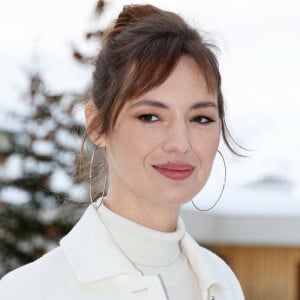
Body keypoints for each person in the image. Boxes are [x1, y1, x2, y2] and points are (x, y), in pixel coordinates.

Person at [0, 4, 244, 300]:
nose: (180, 143)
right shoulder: (27, 292)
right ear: (97, 125)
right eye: (150, 116)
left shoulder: (223, 284)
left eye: (200, 118)